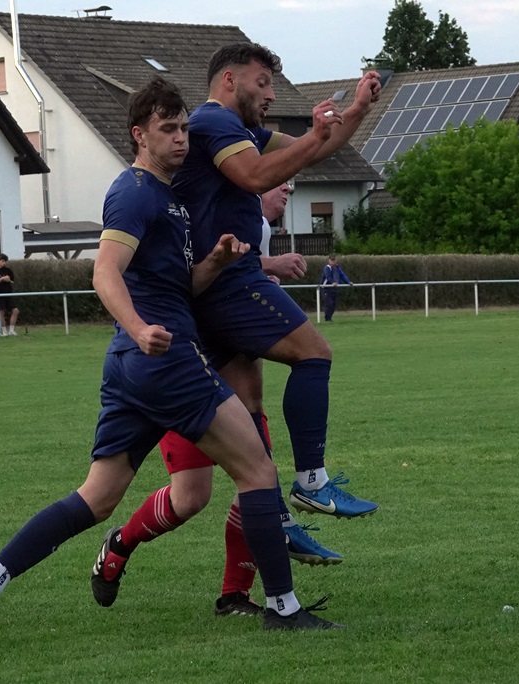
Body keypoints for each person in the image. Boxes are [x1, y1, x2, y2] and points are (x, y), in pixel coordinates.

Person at [0, 77, 340, 646]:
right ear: (139, 134)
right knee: (257, 470)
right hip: (165, 359)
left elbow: (175, 285)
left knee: (97, 497)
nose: (182, 138)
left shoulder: (169, 198)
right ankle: (283, 608)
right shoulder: (135, 191)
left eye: (185, 128)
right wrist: (138, 327)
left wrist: (214, 262)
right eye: (168, 129)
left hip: (131, 367)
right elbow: (104, 270)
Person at [93, 181, 339, 620]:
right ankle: (121, 543)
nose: (285, 185)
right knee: (191, 497)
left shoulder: (254, 224)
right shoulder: (201, 208)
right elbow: (191, 271)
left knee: (257, 481)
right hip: (188, 380)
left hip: (239, 392)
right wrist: (268, 265)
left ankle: (235, 595)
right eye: (275, 176)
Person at [170, 43, 382, 518]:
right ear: (229, 80)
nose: (270, 94)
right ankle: (311, 482)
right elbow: (254, 176)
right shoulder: (214, 121)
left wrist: (356, 110)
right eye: (262, 82)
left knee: (249, 405)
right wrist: (314, 134)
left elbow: (318, 150)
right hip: (230, 280)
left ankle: (274, 519)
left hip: (212, 285)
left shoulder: (241, 129)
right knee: (314, 353)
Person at [0, 254, 19, 336]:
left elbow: (12, 281)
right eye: (2, 261)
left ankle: (11, 330)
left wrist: (8, 280)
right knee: (1, 312)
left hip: (8, 293)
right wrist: (2, 279)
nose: (4, 263)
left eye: (5, 261)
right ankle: (4, 330)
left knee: (15, 310)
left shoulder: (8, 270)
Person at [319, 255, 353, 322]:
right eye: (331, 260)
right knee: (329, 303)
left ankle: (329, 318)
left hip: (333, 289)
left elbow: (342, 275)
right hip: (326, 288)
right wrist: (333, 282)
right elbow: (328, 277)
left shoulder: (337, 268)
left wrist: (348, 282)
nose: (333, 262)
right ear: (329, 260)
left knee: (333, 304)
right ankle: (327, 318)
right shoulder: (327, 268)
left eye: (334, 260)